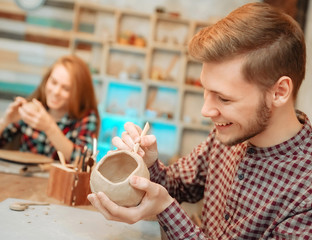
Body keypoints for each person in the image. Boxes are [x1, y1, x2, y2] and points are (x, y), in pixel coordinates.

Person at [88, 2, 312, 239]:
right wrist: (149, 164)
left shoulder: (305, 192)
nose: (206, 110)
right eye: (206, 90)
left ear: (279, 92)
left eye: (224, 98)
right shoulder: (229, 133)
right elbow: (177, 185)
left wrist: (166, 209)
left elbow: (166, 201)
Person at [0, 55, 100, 162]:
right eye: (53, 82)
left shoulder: (86, 116)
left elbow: (84, 159)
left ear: (79, 93)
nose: (56, 92)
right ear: (46, 80)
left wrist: (50, 128)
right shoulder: (32, 108)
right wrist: (4, 121)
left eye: (66, 88)